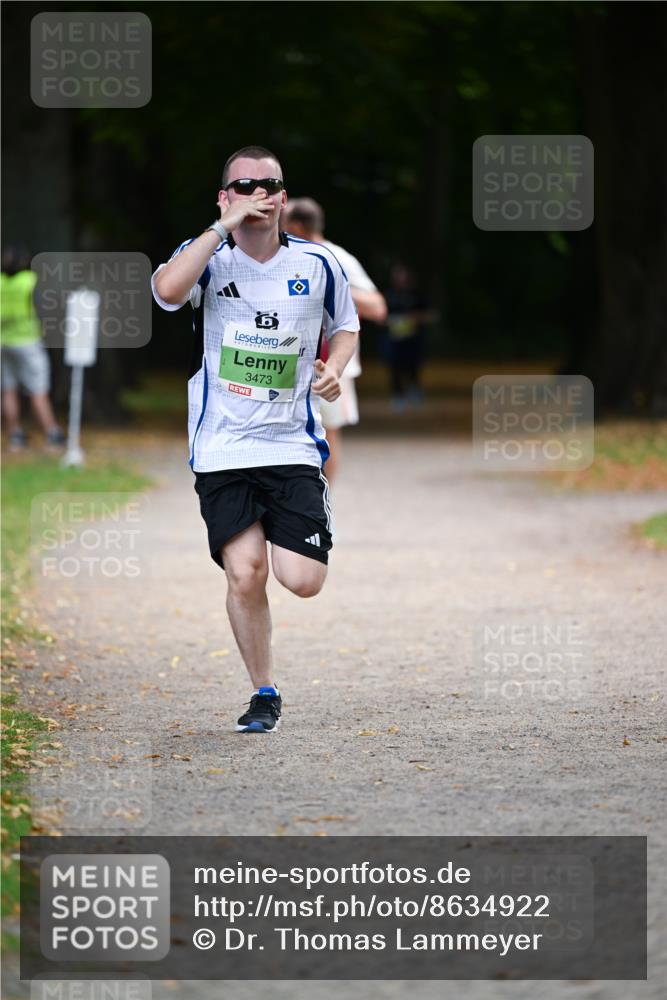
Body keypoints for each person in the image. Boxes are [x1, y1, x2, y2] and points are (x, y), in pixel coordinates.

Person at [151, 146, 359, 733]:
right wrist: (219, 230)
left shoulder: (318, 265)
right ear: (225, 197)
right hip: (223, 446)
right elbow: (167, 292)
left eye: (270, 185)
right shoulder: (208, 258)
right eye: (244, 185)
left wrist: (334, 366)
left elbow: (345, 326)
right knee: (246, 572)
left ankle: (303, 511)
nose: (259, 194)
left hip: (291, 444)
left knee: (303, 581)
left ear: (284, 198)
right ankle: (263, 693)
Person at [282, 198, 387, 484]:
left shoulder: (337, 257)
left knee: (327, 433)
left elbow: (377, 307)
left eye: (282, 223)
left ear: (296, 226)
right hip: (290, 360)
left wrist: (333, 289)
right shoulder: (284, 255)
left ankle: (325, 503)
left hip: (332, 364)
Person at [1, 247, 65, 452]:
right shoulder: (30, 281)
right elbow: (45, 309)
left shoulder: (1, 282)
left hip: (4, 341)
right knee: (38, 390)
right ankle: (51, 433)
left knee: (8, 390)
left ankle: (15, 436)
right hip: (28, 341)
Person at [383, 263, 433, 411]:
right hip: (393, 340)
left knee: (414, 366)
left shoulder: (417, 295)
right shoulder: (388, 295)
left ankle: (415, 390)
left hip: (413, 339)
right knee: (394, 367)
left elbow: (429, 315)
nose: (400, 280)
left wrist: (413, 318)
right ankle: (397, 395)